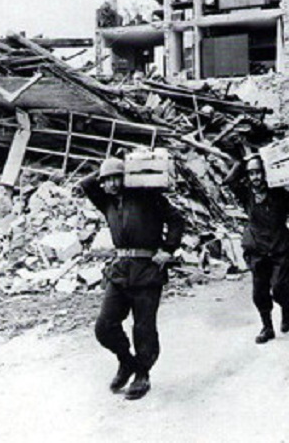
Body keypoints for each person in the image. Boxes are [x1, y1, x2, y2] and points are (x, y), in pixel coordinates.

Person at [77, 157, 185, 400]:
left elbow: (176, 220)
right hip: (120, 271)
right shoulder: (106, 202)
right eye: (106, 180)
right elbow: (86, 183)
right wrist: (114, 162)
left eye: (116, 178)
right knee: (104, 327)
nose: (111, 184)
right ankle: (126, 362)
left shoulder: (146, 195)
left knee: (143, 328)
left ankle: (142, 374)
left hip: (148, 270)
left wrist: (168, 249)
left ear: (125, 179)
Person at [224, 154, 289, 344]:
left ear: (266, 173)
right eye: (252, 173)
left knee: (279, 288)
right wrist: (243, 160)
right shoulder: (246, 194)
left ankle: (286, 308)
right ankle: (267, 327)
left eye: (259, 173)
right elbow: (230, 180)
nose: (256, 177)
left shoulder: (279, 193)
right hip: (256, 248)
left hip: (278, 247)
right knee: (259, 292)